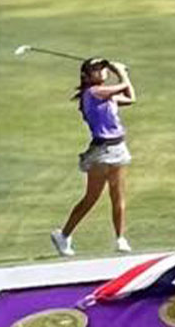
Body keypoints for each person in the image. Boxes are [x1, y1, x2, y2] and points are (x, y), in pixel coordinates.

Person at [51, 57, 136, 256]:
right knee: (91, 198)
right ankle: (63, 235)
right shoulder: (93, 92)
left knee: (118, 195)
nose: (102, 71)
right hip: (101, 152)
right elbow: (123, 86)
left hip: (118, 147)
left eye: (103, 68)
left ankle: (120, 239)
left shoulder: (107, 95)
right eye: (97, 69)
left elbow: (131, 98)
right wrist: (120, 72)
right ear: (87, 76)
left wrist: (120, 74)